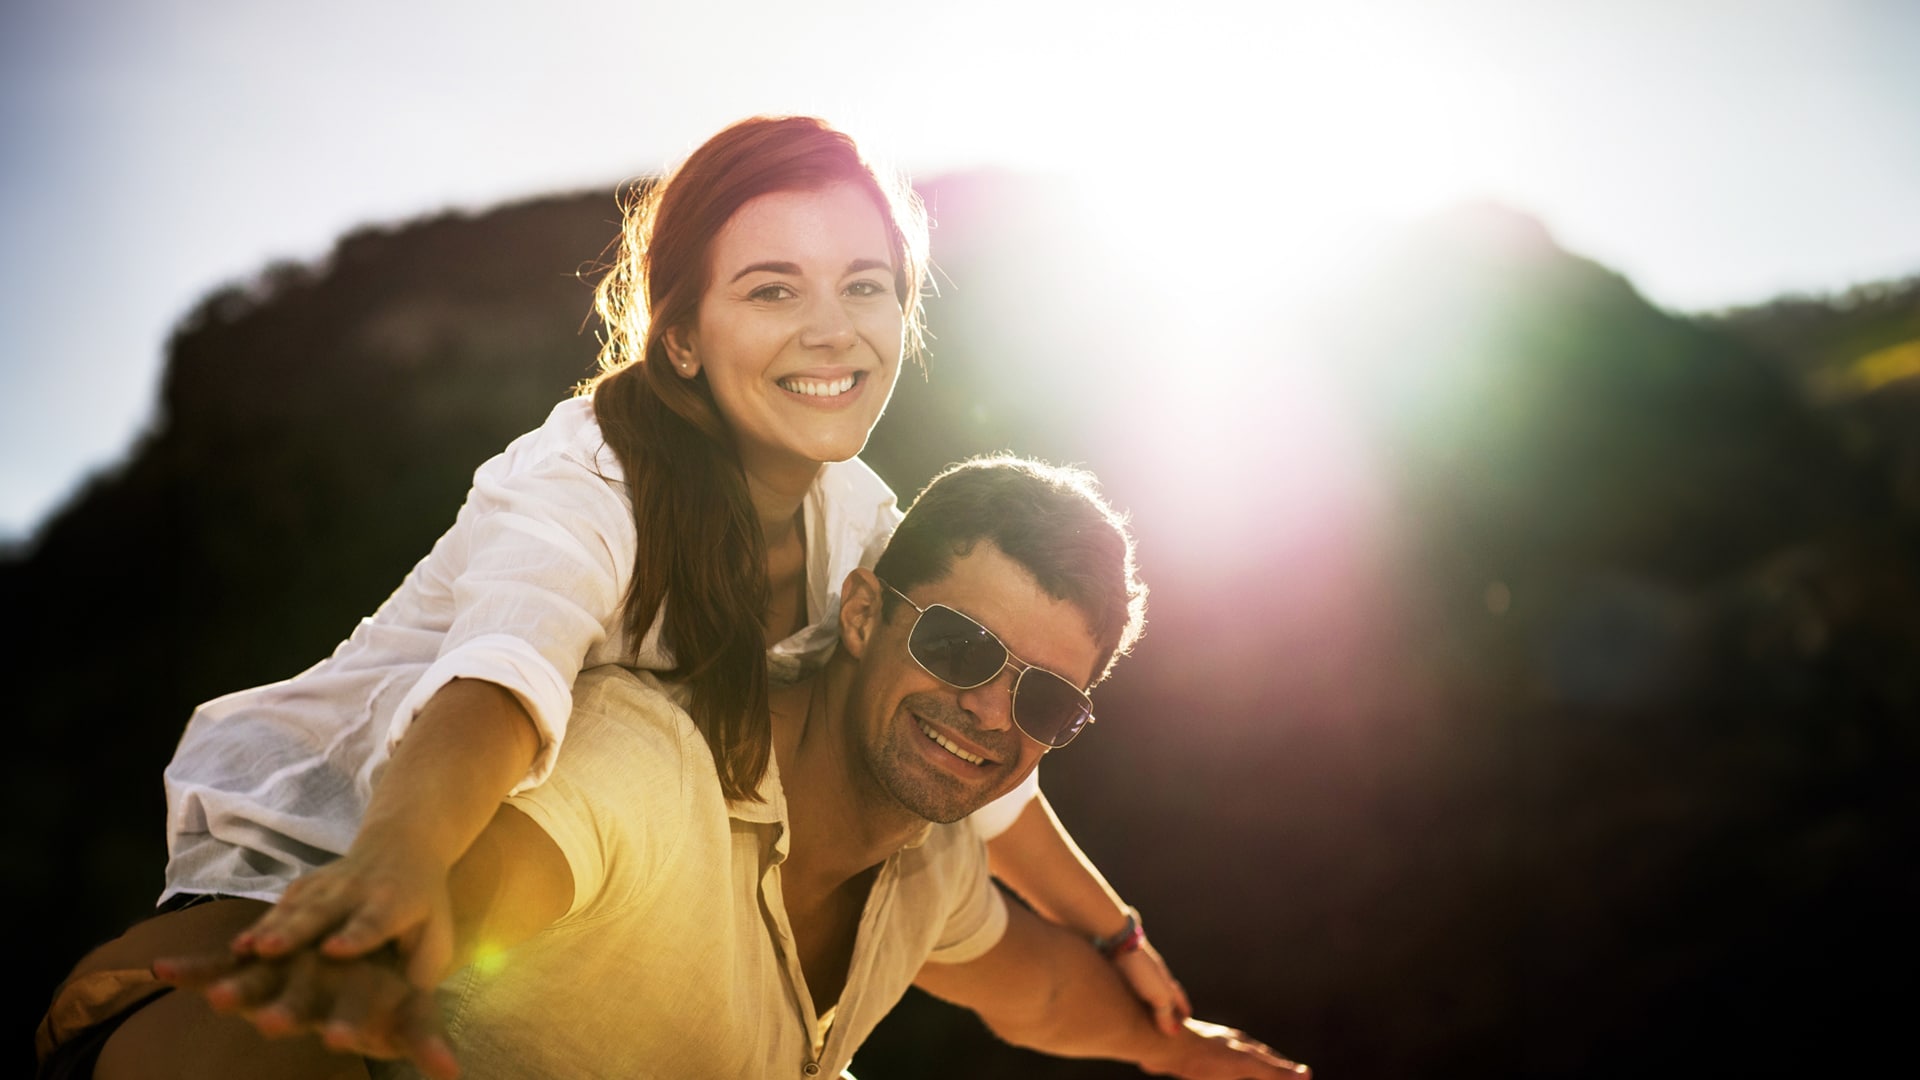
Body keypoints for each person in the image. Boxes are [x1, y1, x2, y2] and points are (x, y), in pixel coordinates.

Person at [35, 117, 1184, 1078]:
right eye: (772, 288)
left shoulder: (863, 530)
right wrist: (400, 857)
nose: (830, 328)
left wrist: (1116, 930)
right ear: (680, 336)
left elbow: (985, 752)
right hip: (338, 859)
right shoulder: (589, 474)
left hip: (511, 892)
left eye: (865, 287)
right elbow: (504, 672)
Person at [156, 457, 1309, 1079]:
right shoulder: (649, 760)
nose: (989, 713)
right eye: (958, 647)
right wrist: (384, 948)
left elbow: (1042, 993)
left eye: (1047, 697)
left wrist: (1177, 1054)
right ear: (861, 610)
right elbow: (486, 882)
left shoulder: (936, 865)